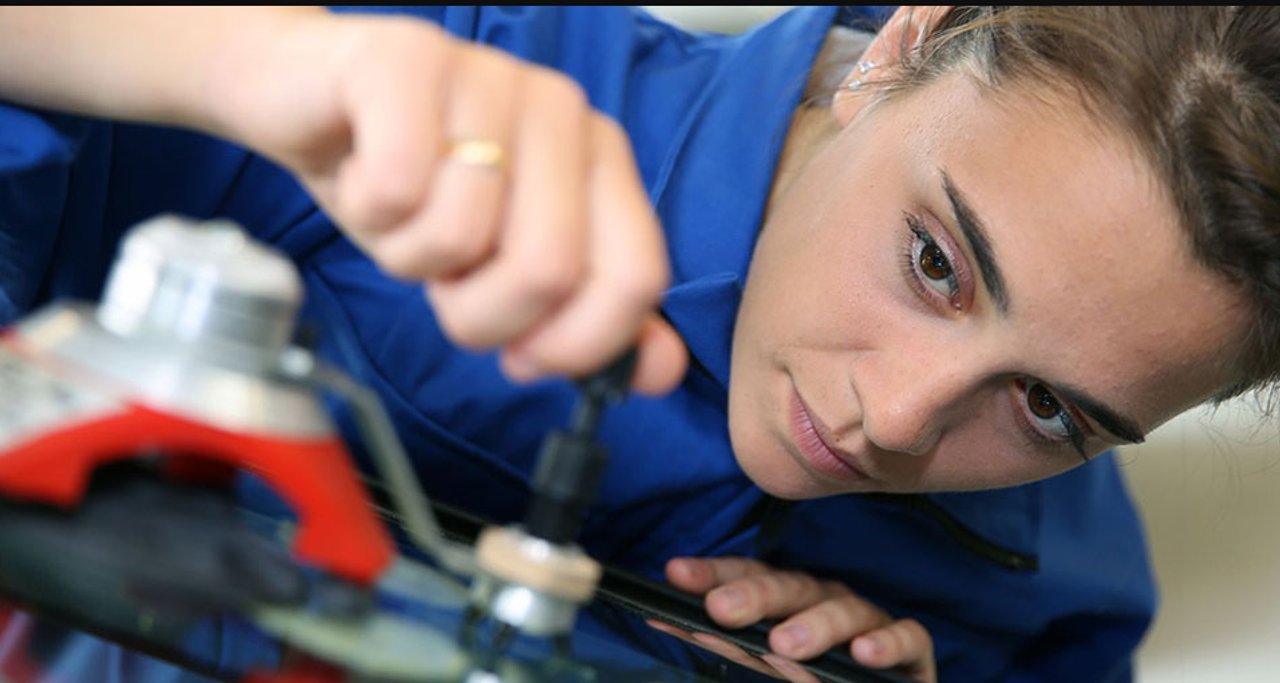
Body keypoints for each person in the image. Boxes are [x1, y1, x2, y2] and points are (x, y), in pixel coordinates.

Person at [0, 5, 1276, 682]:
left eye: (1050, 409)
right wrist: (212, 55)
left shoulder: (1055, 602)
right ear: (898, 49)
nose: (894, 419)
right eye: (935, 263)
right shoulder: (402, 53)